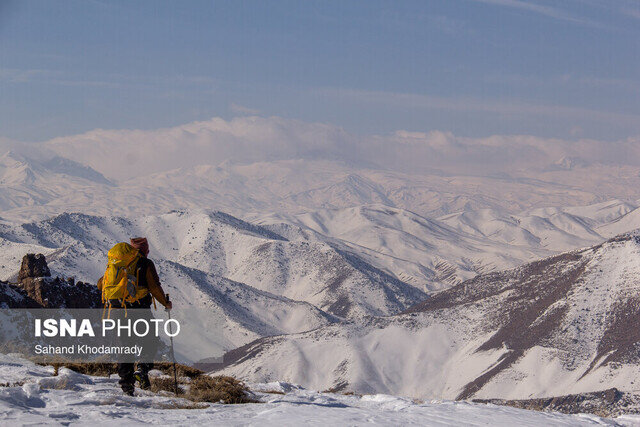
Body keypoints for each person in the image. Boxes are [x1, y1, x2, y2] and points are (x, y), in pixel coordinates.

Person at [97, 237, 172, 396]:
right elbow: (154, 287)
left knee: (124, 347)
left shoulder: (116, 263)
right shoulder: (145, 263)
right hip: (139, 310)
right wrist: (166, 303)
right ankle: (142, 370)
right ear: (146, 250)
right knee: (150, 340)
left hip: (117, 311)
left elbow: (100, 284)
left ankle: (127, 387)